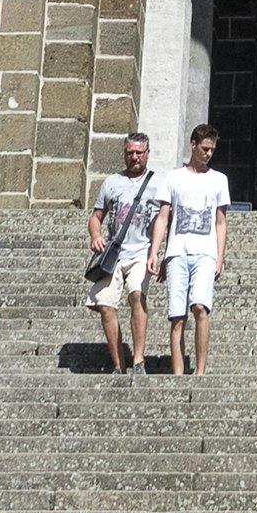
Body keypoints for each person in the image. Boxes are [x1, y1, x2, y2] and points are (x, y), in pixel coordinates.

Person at [151, 121, 231, 376]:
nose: (208, 153)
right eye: (204, 148)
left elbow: (220, 221)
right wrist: (155, 253)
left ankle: (200, 371)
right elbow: (163, 217)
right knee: (177, 316)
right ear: (193, 145)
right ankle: (178, 373)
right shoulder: (173, 177)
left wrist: (220, 257)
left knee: (200, 307)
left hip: (205, 253)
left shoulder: (219, 179)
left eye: (212, 150)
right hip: (177, 252)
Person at [81, 128, 157, 373]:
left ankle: (138, 360)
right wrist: (95, 235)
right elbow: (96, 217)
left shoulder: (159, 182)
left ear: (147, 154)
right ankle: (118, 364)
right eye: (130, 153)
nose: (134, 157)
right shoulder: (111, 182)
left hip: (141, 252)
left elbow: (169, 217)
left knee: (136, 294)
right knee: (105, 304)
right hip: (113, 253)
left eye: (139, 153)